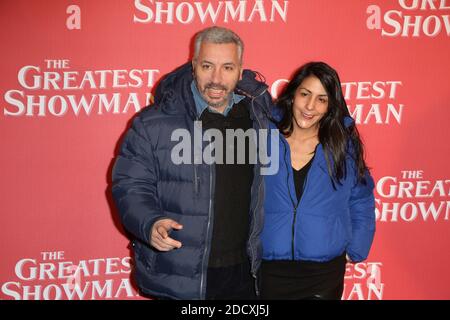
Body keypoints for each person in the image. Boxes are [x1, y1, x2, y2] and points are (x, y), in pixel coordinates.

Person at [111, 26, 273, 300]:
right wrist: (150, 223)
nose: (216, 79)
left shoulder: (259, 116)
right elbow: (130, 184)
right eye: (207, 66)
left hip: (244, 276)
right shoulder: (153, 122)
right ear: (194, 65)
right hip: (181, 276)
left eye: (228, 68)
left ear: (240, 69)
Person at [260, 62, 376, 300]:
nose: (310, 106)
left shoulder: (343, 144)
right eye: (305, 94)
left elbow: (361, 199)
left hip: (322, 274)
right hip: (268, 270)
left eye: (322, 99)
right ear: (292, 95)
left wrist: (357, 248)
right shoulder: (263, 136)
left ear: (330, 106)